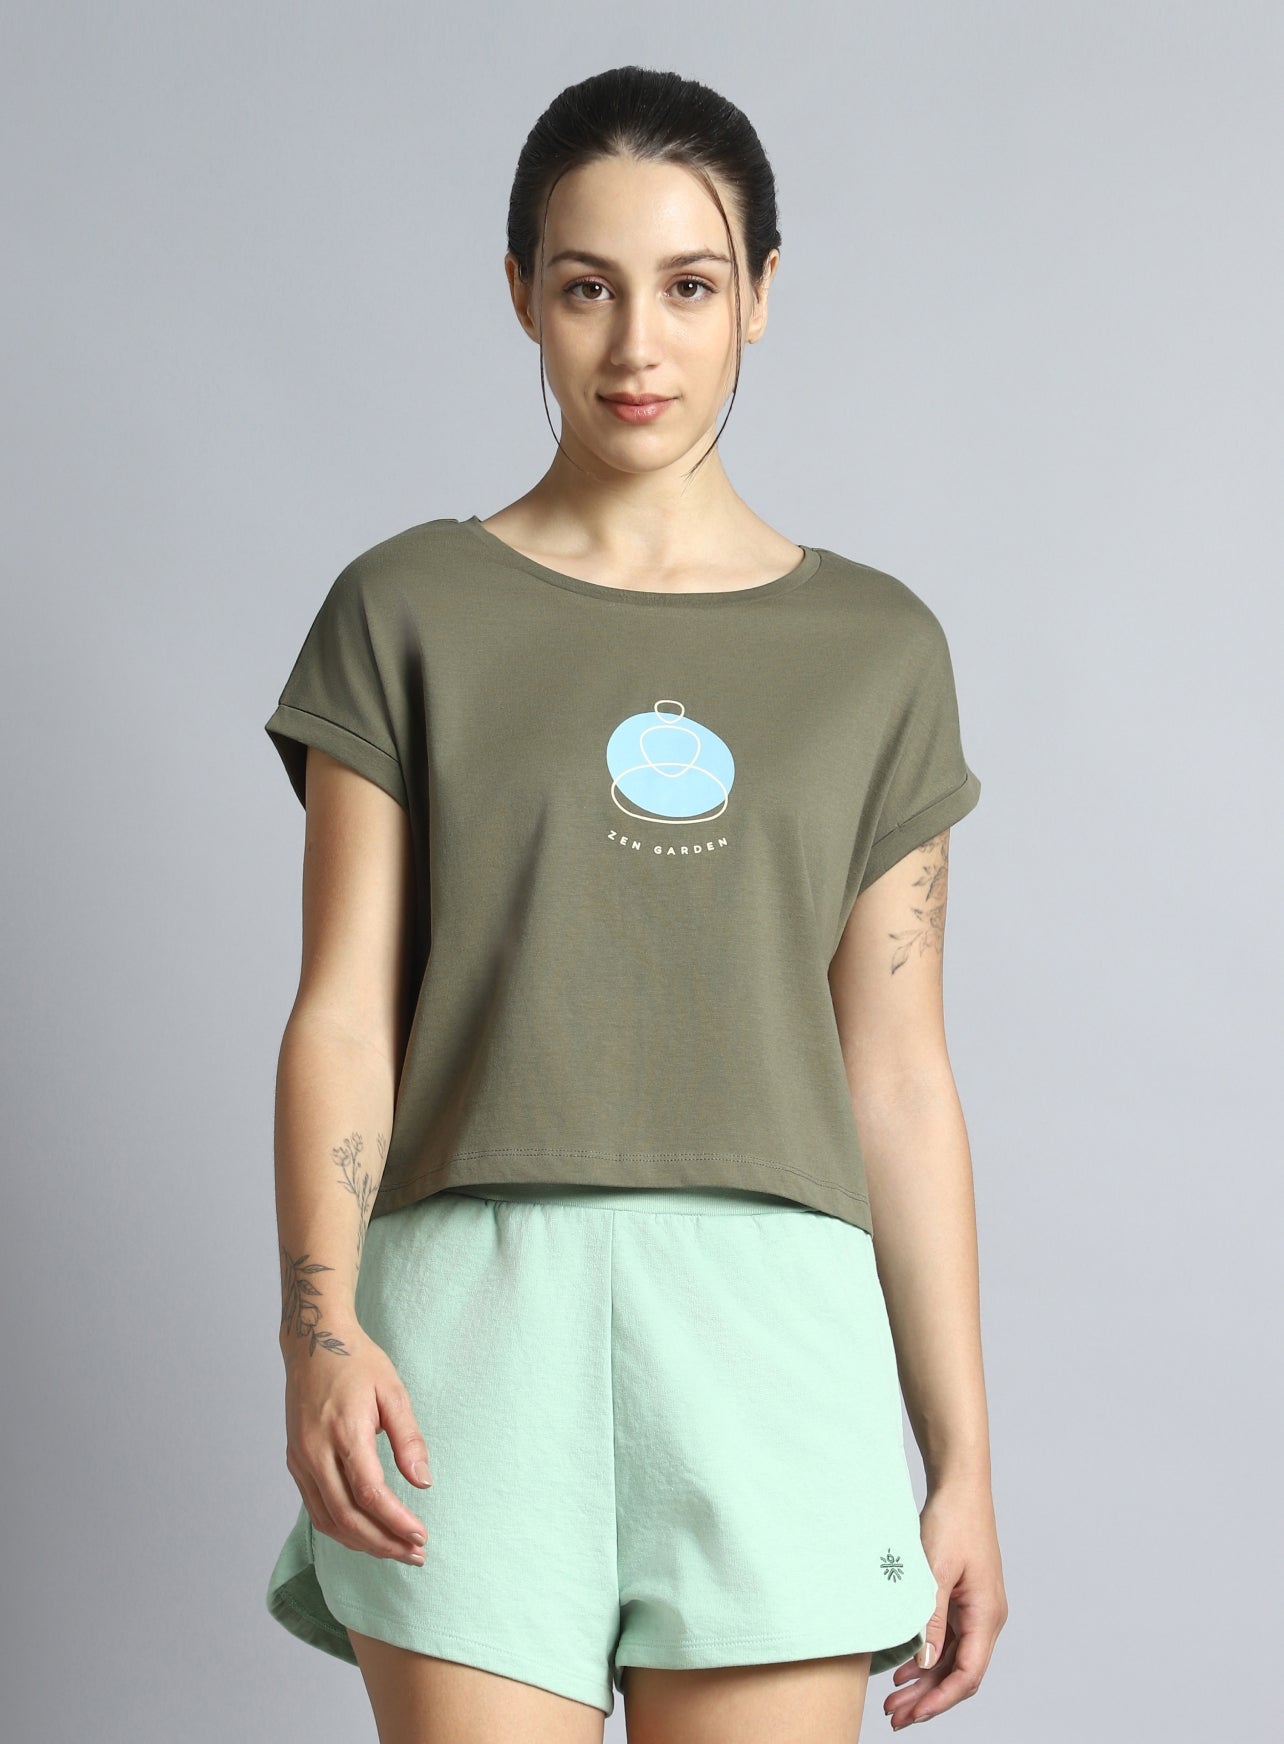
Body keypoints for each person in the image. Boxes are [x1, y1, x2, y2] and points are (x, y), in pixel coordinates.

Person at [262, 63, 1006, 1744]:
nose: (637, 347)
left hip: (774, 1333)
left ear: (761, 296)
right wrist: (320, 1330)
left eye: (689, 287)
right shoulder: (405, 608)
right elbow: (344, 1012)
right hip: (470, 1324)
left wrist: (962, 1460)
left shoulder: (879, 650)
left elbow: (899, 1075)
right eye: (588, 287)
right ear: (521, 292)